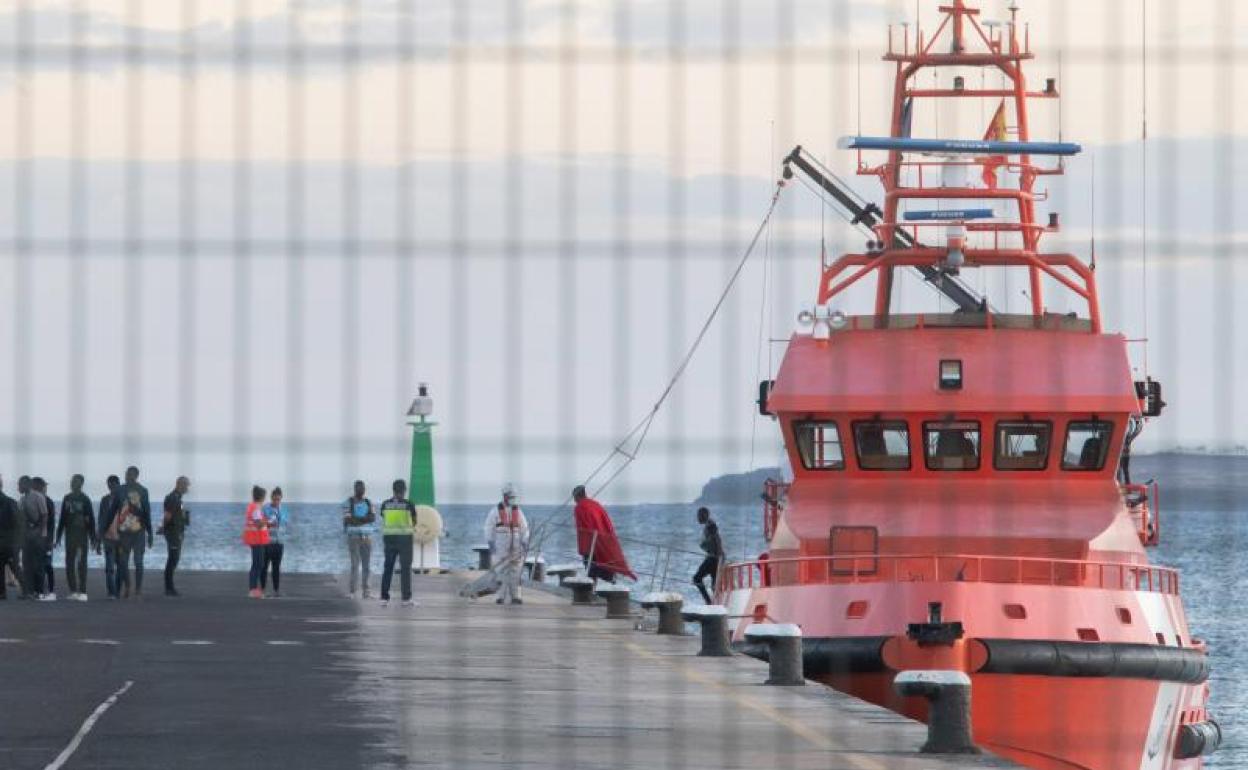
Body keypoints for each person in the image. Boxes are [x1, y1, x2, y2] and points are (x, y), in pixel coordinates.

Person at [571, 486, 636, 583]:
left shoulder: (579, 507)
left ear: (577, 496)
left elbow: (583, 528)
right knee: (606, 570)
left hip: (590, 546)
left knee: (591, 572)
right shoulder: (596, 504)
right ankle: (610, 588)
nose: (574, 500)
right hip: (603, 542)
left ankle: (591, 593)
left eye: (574, 497)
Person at [483, 484, 528, 605]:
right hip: (501, 546)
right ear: (505, 496)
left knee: (516, 571)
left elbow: (524, 528)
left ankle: (516, 596)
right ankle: (500, 597)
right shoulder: (495, 512)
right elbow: (488, 527)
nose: (513, 498)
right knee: (501, 571)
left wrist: (525, 541)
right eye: (511, 496)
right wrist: (490, 542)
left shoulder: (518, 512)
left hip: (516, 546)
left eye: (514, 496)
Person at [55, 474, 97, 601]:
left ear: (81, 484)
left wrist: (93, 537)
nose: (73, 483)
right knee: (69, 563)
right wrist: (58, 537)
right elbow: (62, 518)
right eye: (72, 481)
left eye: (76, 481)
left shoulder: (85, 499)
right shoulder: (66, 498)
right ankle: (73, 590)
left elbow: (91, 520)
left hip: (82, 537)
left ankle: (83, 591)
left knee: (81, 564)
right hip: (69, 537)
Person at [379, 479, 417, 608]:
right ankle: (406, 599)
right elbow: (414, 521)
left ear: (393, 490)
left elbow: (382, 516)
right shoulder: (409, 505)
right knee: (405, 569)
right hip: (405, 539)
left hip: (389, 539)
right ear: (404, 490)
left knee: (388, 568)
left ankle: (384, 598)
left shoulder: (385, 504)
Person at [112, 488, 150, 599]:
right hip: (125, 537)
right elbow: (118, 520)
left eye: (135, 499)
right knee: (123, 562)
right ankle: (128, 585)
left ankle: (138, 589)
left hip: (138, 536)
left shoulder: (141, 506)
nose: (133, 500)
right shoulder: (123, 505)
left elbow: (147, 520)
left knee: (138, 562)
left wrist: (150, 534)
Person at [20, 476, 53, 600]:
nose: (18, 487)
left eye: (20, 484)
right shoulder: (22, 499)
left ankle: (39, 591)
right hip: (26, 537)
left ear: (27, 484)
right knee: (26, 564)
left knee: (38, 565)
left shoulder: (38, 497)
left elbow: (45, 516)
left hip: (39, 537)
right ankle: (29, 591)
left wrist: (38, 531)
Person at [341, 481, 375, 599]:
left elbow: (373, 517)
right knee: (355, 565)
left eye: (363, 488)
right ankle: (353, 591)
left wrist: (358, 519)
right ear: (355, 489)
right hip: (353, 538)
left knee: (367, 566)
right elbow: (349, 520)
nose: (361, 490)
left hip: (367, 537)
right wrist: (364, 519)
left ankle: (367, 592)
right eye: (359, 488)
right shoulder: (348, 502)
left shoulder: (369, 502)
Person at [160, 476, 191, 597]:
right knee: (172, 559)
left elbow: (177, 514)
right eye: (186, 485)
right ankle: (169, 588)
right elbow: (168, 515)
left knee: (175, 559)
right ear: (179, 484)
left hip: (178, 532)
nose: (187, 488)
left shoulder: (178, 498)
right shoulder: (173, 498)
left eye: (187, 485)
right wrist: (163, 527)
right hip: (173, 533)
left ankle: (170, 587)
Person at [0, 474, 26, 600]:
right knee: (13, 567)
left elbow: (19, 523)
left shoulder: (9, 503)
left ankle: (26, 590)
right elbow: (19, 523)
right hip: (8, 542)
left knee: (14, 567)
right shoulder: (10, 502)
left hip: (9, 542)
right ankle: (3, 592)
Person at [96, 475, 122, 599]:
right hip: (107, 537)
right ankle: (111, 592)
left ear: (118, 484)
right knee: (109, 567)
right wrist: (98, 539)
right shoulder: (104, 500)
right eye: (109, 485)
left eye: (113, 485)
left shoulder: (124, 499)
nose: (111, 488)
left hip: (122, 538)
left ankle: (117, 590)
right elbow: (101, 520)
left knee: (121, 567)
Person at [692, 506, 724, 604]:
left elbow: (716, 539)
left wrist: (719, 555)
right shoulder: (709, 525)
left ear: (704, 515)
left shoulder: (710, 526)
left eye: (699, 515)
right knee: (714, 585)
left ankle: (709, 602)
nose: (697, 518)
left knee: (697, 578)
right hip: (715, 557)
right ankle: (714, 604)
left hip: (713, 558)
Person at [244, 485, 270, 598]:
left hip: (255, 539)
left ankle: (254, 588)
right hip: (257, 540)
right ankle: (253, 589)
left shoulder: (252, 507)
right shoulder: (256, 508)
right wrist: (268, 521)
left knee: (258, 564)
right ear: (262, 497)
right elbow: (258, 524)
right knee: (258, 564)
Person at [261, 487, 287, 597]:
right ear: (271, 497)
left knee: (276, 568)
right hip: (267, 543)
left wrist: (276, 521)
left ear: (281, 499)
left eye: (278, 499)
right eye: (275, 499)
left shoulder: (283, 510)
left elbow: (284, 523)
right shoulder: (265, 508)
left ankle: (276, 590)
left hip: (279, 542)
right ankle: (262, 590)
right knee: (264, 567)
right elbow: (262, 522)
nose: (276, 501)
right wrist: (270, 522)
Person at [33, 478, 56, 595]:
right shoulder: (35, 501)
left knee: (47, 565)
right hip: (36, 539)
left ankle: (51, 589)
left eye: (45, 486)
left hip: (46, 539)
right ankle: (38, 589)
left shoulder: (49, 502)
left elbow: (51, 524)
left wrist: (50, 540)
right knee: (37, 565)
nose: (45, 488)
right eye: (43, 486)